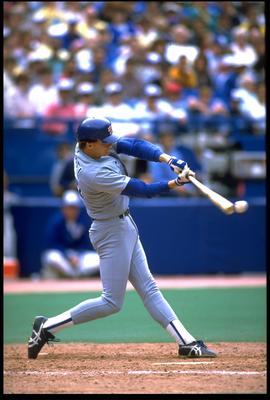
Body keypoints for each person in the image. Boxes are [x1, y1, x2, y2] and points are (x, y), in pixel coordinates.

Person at [28, 116, 217, 360]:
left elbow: (133, 146)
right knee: (111, 302)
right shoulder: (93, 172)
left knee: (149, 287)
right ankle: (46, 327)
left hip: (123, 223)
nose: (110, 145)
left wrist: (168, 158)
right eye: (104, 142)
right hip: (110, 231)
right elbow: (143, 190)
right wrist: (176, 182)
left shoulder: (88, 145)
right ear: (89, 144)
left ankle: (186, 342)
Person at [40, 190, 100, 279]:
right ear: (63, 208)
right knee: (51, 257)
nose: (71, 211)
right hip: (63, 257)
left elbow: (87, 244)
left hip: (80, 258)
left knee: (98, 259)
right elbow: (52, 244)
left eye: (74, 208)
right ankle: (74, 276)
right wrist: (68, 255)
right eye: (69, 208)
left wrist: (78, 256)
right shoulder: (56, 222)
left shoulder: (84, 221)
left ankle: (73, 275)